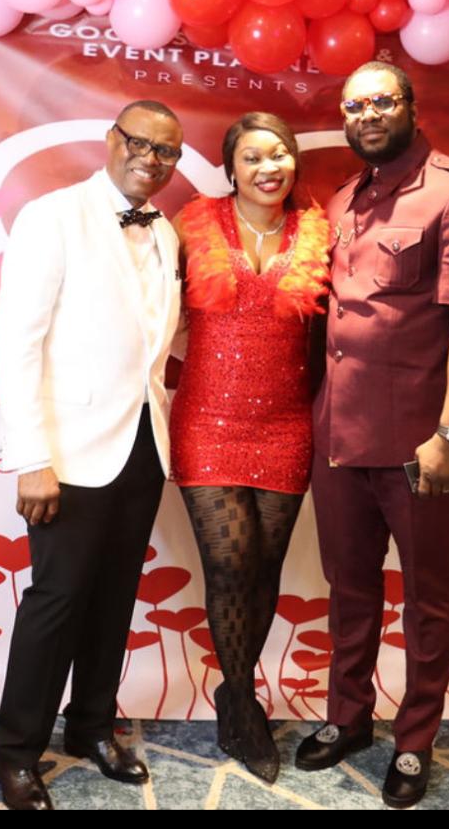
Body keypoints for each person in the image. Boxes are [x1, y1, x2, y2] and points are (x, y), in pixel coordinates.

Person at [296, 62, 449, 809]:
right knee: (349, 588)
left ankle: (415, 741)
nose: (368, 114)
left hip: (422, 443)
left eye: (382, 100)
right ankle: (348, 717)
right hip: (339, 435)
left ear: (412, 107)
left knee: (429, 597)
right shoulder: (344, 198)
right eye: (355, 105)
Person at [0, 100, 185, 810]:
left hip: (142, 443)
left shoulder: (166, 231)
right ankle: (16, 755)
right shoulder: (52, 216)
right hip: (68, 452)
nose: (151, 159)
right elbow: (17, 343)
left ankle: (91, 728)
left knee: (113, 598)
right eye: (140, 143)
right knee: (57, 601)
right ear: (111, 140)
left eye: (167, 151)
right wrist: (31, 456)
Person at [169, 112, 330, 783]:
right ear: (231, 167)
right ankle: (241, 702)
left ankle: (236, 697)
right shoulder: (192, 226)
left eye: (281, 154)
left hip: (287, 423)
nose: (270, 167)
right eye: (254, 157)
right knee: (231, 563)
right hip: (208, 420)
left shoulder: (320, 232)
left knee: (264, 567)